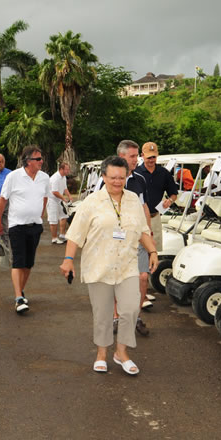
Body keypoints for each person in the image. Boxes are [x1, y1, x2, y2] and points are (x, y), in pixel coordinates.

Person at [60, 156, 159, 375]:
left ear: (126, 177)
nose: (117, 181)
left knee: (131, 309)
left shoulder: (133, 200)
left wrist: (152, 251)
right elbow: (75, 234)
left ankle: (121, 352)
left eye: (121, 177)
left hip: (127, 265)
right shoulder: (92, 202)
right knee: (103, 313)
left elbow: (143, 230)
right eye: (112, 177)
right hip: (99, 266)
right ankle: (102, 354)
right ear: (103, 176)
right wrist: (68, 260)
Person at [0, 145, 51, 314]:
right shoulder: (13, 177)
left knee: (28, 263)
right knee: (18, 261)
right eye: (38, 159)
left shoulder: (44, 178)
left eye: (41, 158)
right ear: (28, 161)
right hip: (17, 225)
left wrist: (40, 217)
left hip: (35, 226)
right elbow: (3, 200)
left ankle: (20, 291)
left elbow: (45, 198)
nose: (41, 161)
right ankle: (19, 298)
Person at [117, 140, 154, 335]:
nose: (136, 159)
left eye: (137, 155)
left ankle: (135, 317)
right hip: (117, 238)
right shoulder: (108, 178)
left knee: (142, 277)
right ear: (122, 157)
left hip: (138, 236)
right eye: (132, 156)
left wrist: (148, 232)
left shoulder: (139, 179)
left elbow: (144, 207)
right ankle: (116, 318)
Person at [127, 142, 178, 272]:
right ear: (142, 156)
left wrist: (170, 201)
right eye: (149, 157)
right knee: (137, 249)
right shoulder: (136, 173)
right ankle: (140, 273)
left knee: (153, 250)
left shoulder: (164, 173)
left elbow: (174, 193)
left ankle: (149, 274)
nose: (151, 160)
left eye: (154, 157)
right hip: (138, 219)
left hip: (155, 216)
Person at [47, 161, 72, 244]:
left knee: (64, 216)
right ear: (61, 169)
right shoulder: (55, 178)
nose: (68, 171)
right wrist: (63, 198)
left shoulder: (63, 177)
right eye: (67, 169)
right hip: (52, 200)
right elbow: (54, 192)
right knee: (53, 220)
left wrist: (69, 196)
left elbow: (65, 188)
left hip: (59, 200)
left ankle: (62, 235)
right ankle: (54, 238)